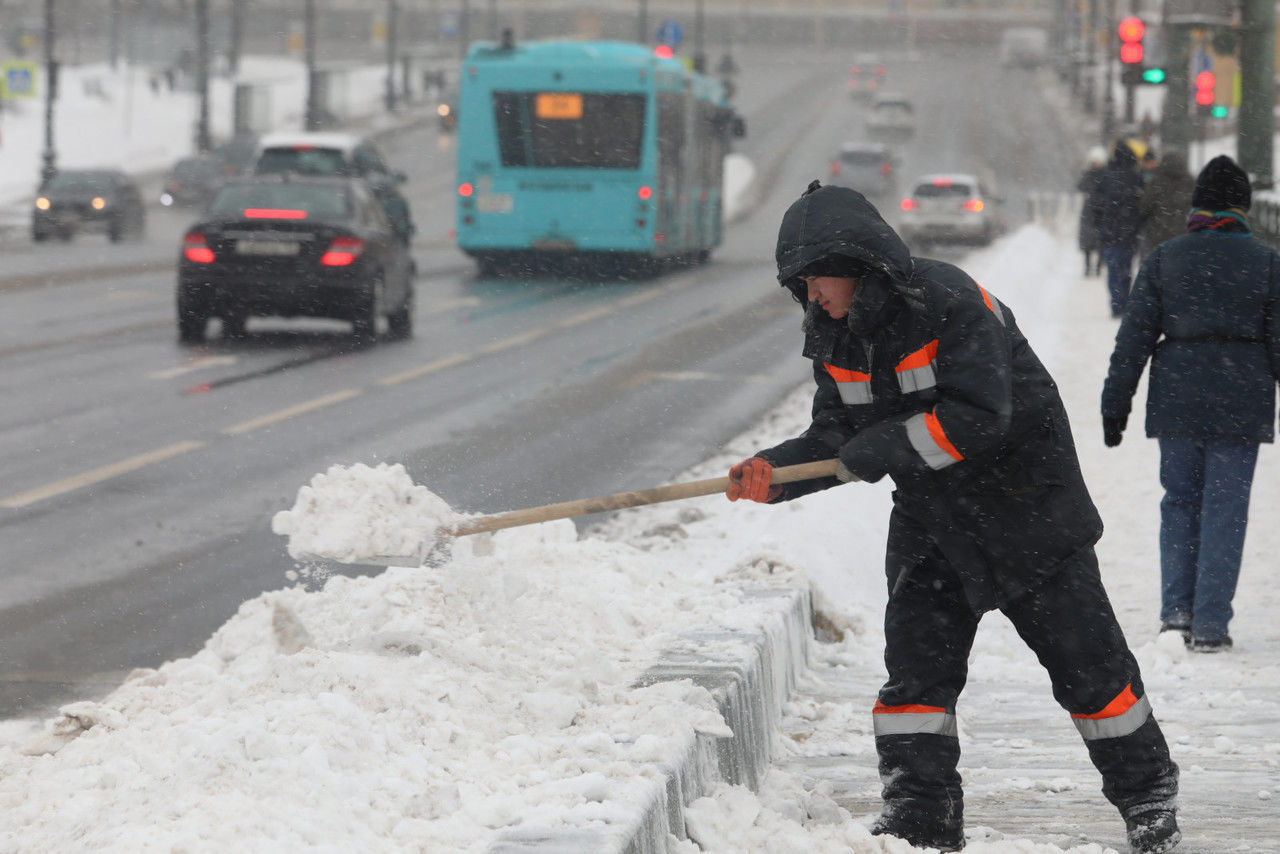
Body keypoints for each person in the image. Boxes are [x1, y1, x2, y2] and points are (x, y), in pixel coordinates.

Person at [726, 180, 1180, 854]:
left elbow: (982, 415)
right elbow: (836, 439)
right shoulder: (835, 336)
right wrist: (774, 474)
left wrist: (884, 444)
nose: (810, 296)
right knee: (915, 674)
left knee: (1091, 671)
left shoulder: (949, 303)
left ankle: (1148, 798)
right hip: (933, 517)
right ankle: (920, 814)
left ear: (856, 265)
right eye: (801, 286)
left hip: (1029, 510)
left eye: (816, 280)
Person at [1102, 155, 1280, 653]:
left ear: (1197, 205)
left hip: (1178, 399)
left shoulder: (1165, 258)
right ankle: (1210, 625)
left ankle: (1174, 614)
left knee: (1178, 504)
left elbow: (1134, 338)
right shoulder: (1268, 263)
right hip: (1241, 401)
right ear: (1244, 207)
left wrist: (1115, 403)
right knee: (1226, 510)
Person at [1088, 141, 1146, 317]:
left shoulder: (1105, 176)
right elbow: (1142, 205)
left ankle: (1116, 303)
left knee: (1113, 269)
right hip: (1129, 233)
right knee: (1126, 270)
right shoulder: (1136, 178)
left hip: (1109, 233)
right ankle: (1125, 302)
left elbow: (1095, 203)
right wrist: (1137, 225)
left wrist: (1100, 224)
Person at [1137, 151, 1195, 258]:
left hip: (1159, 234)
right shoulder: (1190, 182)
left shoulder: (1156, 181)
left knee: (1161, 268)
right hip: (1184, 235)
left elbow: (1144, 207)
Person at [1077, 146, 1107, 276]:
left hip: (1101, 212)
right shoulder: (1088, 174)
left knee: (1101, 241)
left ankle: (1099, 266)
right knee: (1088, 242)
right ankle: (1088, 266)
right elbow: (1080, 186)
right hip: (1089, 212)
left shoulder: (1106, 175)